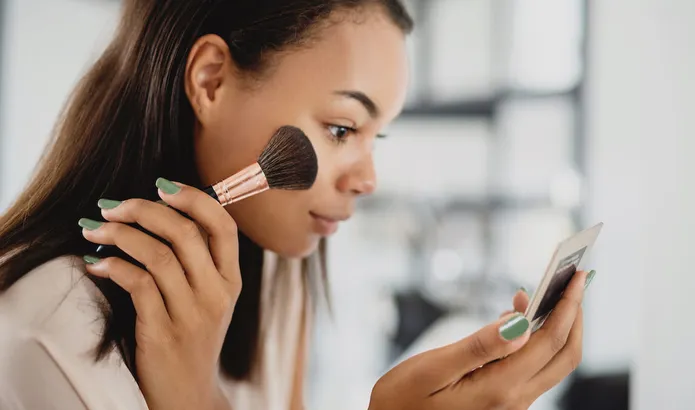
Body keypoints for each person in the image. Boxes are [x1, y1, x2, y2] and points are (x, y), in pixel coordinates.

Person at [0, 1, 591, 409]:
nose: (367, 179)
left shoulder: (277, 269)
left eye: (374, 136)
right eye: (341, 128)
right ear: (210, 81)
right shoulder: (50, 329)